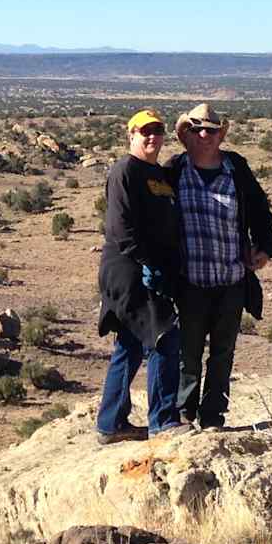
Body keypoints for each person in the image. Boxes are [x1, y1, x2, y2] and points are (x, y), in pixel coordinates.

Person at [167, 103, 272, 431]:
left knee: (222, 352)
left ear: (220, 134)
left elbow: (259, 210)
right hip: (190, 281)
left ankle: (213, 415)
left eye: (211, 130)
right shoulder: (174, 170)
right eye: (197, 129)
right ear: (186, 134)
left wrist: (265, 247)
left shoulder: (236, 168)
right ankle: (184, 413)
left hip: (231, 278)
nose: (205, 135)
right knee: (188, 352)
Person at [95, 109, 185, 444]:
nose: (152, 137)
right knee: (164, 336)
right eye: (144, 131)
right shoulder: (125, 170)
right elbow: (120, 229)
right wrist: (151, 264)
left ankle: (110, 423)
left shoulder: (158, 173)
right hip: (129, 269)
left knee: (130, 345)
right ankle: (162, 421)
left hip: (148, 267)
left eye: (158, 131)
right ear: (130, 134)